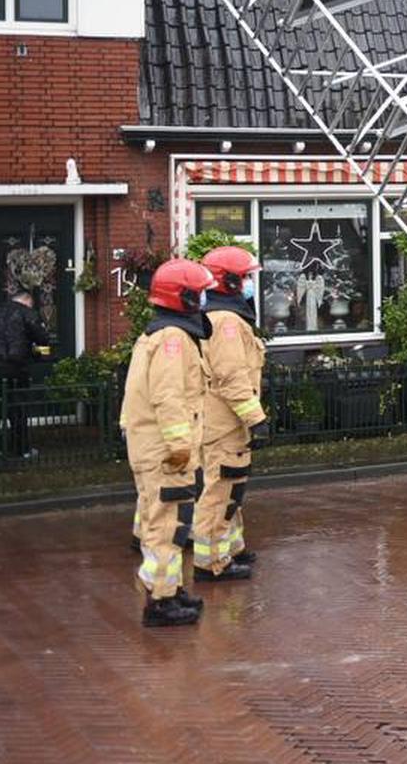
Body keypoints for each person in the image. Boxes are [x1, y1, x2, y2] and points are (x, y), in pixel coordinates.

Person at [118, 259, 216, 627]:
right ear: (185, 297)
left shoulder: (163, 334)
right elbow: (169, 397)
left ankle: (170, 589)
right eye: (201, 292)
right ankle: (160, 602)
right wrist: (180, 448)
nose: (207, 298)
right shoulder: (173, 340)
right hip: (164, 453)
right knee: (167, 525)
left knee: (170, 521)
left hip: (154, 449)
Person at [192, 246, 269, 582]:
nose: (251, 282)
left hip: (226, 423)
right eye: (247, 277)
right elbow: (232, 377)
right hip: (225, 424)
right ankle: (210, 563)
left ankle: (231, 548)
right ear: (232, 282)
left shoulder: (223, 317)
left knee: (233, 488)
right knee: (219, 492)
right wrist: (257, 418)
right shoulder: (225, 322)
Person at [0, 287, 51, 458]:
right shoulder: (27, 313)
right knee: (18, 409)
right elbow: (42, 338)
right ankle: (21, 449)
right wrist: (32, 349)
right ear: (27, 301)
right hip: (14, 367)